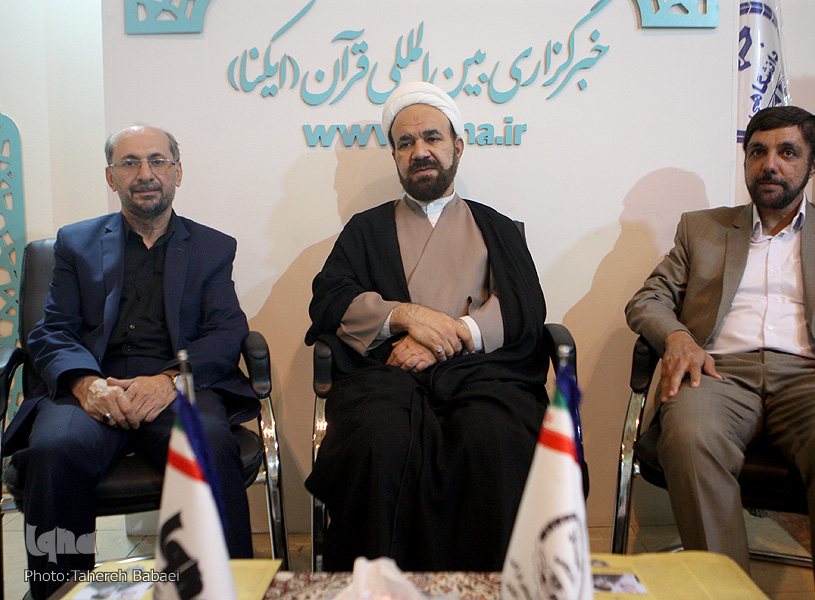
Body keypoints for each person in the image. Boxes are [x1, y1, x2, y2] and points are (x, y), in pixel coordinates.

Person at [625, 106, 815, 600]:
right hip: (718, 372)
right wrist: (678, 337)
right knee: (689, 436)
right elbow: (649, 299)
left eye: (787, 152)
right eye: (758, 152)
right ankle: (728, 595)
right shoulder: (701, 229)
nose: (770, 164)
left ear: (812, 163)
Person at [1, 125, 258, 600]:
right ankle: (59, 593)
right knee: (53, 452)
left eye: (158, 161)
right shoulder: (75, 243)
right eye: (130, 163)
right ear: (110, 176)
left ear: (177, 172)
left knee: (207, 446)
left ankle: (221, 590)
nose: (145, 174)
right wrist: (86, 385)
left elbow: (226, 331)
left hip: (173, 385)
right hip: (93, 383)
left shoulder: (212, 247)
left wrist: (168, 380)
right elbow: (52, 329)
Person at [305, 81, 551, 571]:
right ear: (395, 156)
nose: (420, 151)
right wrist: (404, 315)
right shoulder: (365, 229)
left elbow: (524, 306)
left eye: (432, 138)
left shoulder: (497, 226)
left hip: (482, 374)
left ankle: (493, 586)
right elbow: (329, 297)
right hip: (388, 376)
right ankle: (379, 586)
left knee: (495, 436)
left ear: (457, 146)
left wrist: (450, 336)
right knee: (379, 441)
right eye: (406, 143)